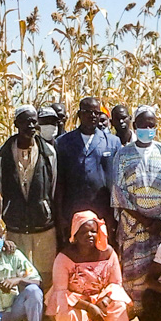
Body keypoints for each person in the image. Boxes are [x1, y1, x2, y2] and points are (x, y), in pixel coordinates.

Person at [110, 105, 161, 315]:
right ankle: (136, 315)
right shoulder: (123, 154)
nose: (148, 128)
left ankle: (159, 316)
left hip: (160, 227)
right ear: (135, 125)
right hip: (133, 225)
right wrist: (144, 220)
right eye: (143, 125)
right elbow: (119, 192)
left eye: (152, 125)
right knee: (134, 272)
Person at [46, 211, 133, 321]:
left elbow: (116, 284)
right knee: (73, 316)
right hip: (74, 301)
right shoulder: (64, 257)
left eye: (93, 231)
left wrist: (104, 300)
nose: (90, 235)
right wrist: (88, 307)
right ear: (75, 234)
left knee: (119, 307)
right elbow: (61, 292)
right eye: (84, 232)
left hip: (102, 298)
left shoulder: (108, 253)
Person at [0, 105, 58, 287]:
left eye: (33, 121)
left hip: (43, 227)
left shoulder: (48, 153)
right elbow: (0, 186)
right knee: (19, 272)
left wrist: (44, 207)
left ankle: (44, 314)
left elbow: (52, 186)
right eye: (25, 121)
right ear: (16, 123)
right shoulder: (2, 155)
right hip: (16, 227)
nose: (30, 125)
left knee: (45, 273)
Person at [54, 96, 122, 241]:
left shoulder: (112, 142)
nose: (92, 116)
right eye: (88, 112)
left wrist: (115, 217)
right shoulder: (63, 142)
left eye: (96, 113)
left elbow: (117, 182)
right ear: (79, 115)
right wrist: (60, 216)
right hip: (73, 211)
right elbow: (59, 182)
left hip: (103, 211)